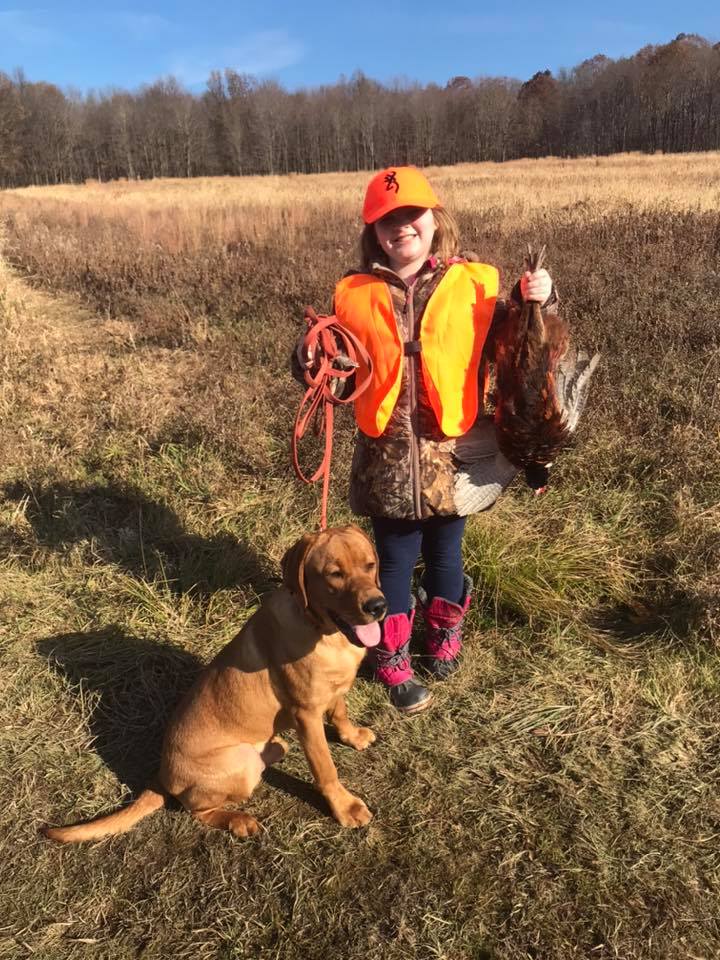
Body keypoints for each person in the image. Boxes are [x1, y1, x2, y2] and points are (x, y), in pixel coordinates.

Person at [298, 166, 556, 715]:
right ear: (374, 233)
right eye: (386, 220)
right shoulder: (354, 292)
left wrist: (540, 297)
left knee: (446, 550)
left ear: (435, 219)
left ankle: (441, 634)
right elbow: (337, 364)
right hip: (385, 458)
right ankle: (390, 652)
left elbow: (525, 342)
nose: (401, 227)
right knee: (390, 560)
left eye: (411, 215)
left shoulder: (478, 284)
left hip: (454, 456)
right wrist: (312, 360)